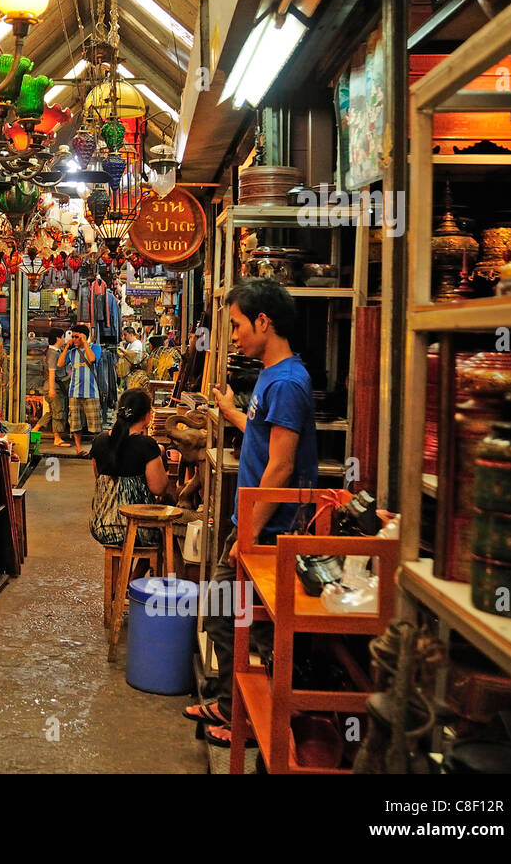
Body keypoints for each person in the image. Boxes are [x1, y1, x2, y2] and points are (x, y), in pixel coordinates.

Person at [185, 278, 318, 747]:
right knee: (226, 612)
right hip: (254, 519)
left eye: (239, 325)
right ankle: (230, 705)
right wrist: (231, 413)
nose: (235, 335)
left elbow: (281, 466)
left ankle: (266, 728)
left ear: (265, 322)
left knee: (258, 627)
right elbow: (263, 436)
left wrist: (250, 535)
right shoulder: (270, 374)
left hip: (273, 528)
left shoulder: (287, 382)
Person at [89, 389, 169, 550]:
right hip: (138, 529)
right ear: (148, 415)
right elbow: (158, 488)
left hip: (101, 525)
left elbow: (98, 475)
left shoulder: (100, 440)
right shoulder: (146, 445)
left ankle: (124, 576)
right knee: (165, 539)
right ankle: (132, 577)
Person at [56, 323, 102, 455]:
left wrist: (85, 343)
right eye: (73, 336)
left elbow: (92, 359)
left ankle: (95, 449)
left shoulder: (95, 348)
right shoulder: (72, 352)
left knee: (95, 424)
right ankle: (78, 449)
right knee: (75, 423)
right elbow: (59, 364)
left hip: (91, 392)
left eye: (77, 336)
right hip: (74, 392)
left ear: (83, 337)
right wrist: (66, 347)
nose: (74, 339)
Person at [45, 328, 69, 447]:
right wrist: (52, 388)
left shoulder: (55, 351)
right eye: (64, 337)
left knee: (53, 411)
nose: (65, 339)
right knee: (58, 411)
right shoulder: (53, 353)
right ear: (58, 338)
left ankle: (35, 429)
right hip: (54, 386)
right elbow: (51, 371)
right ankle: (57, 438)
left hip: (55, 386)